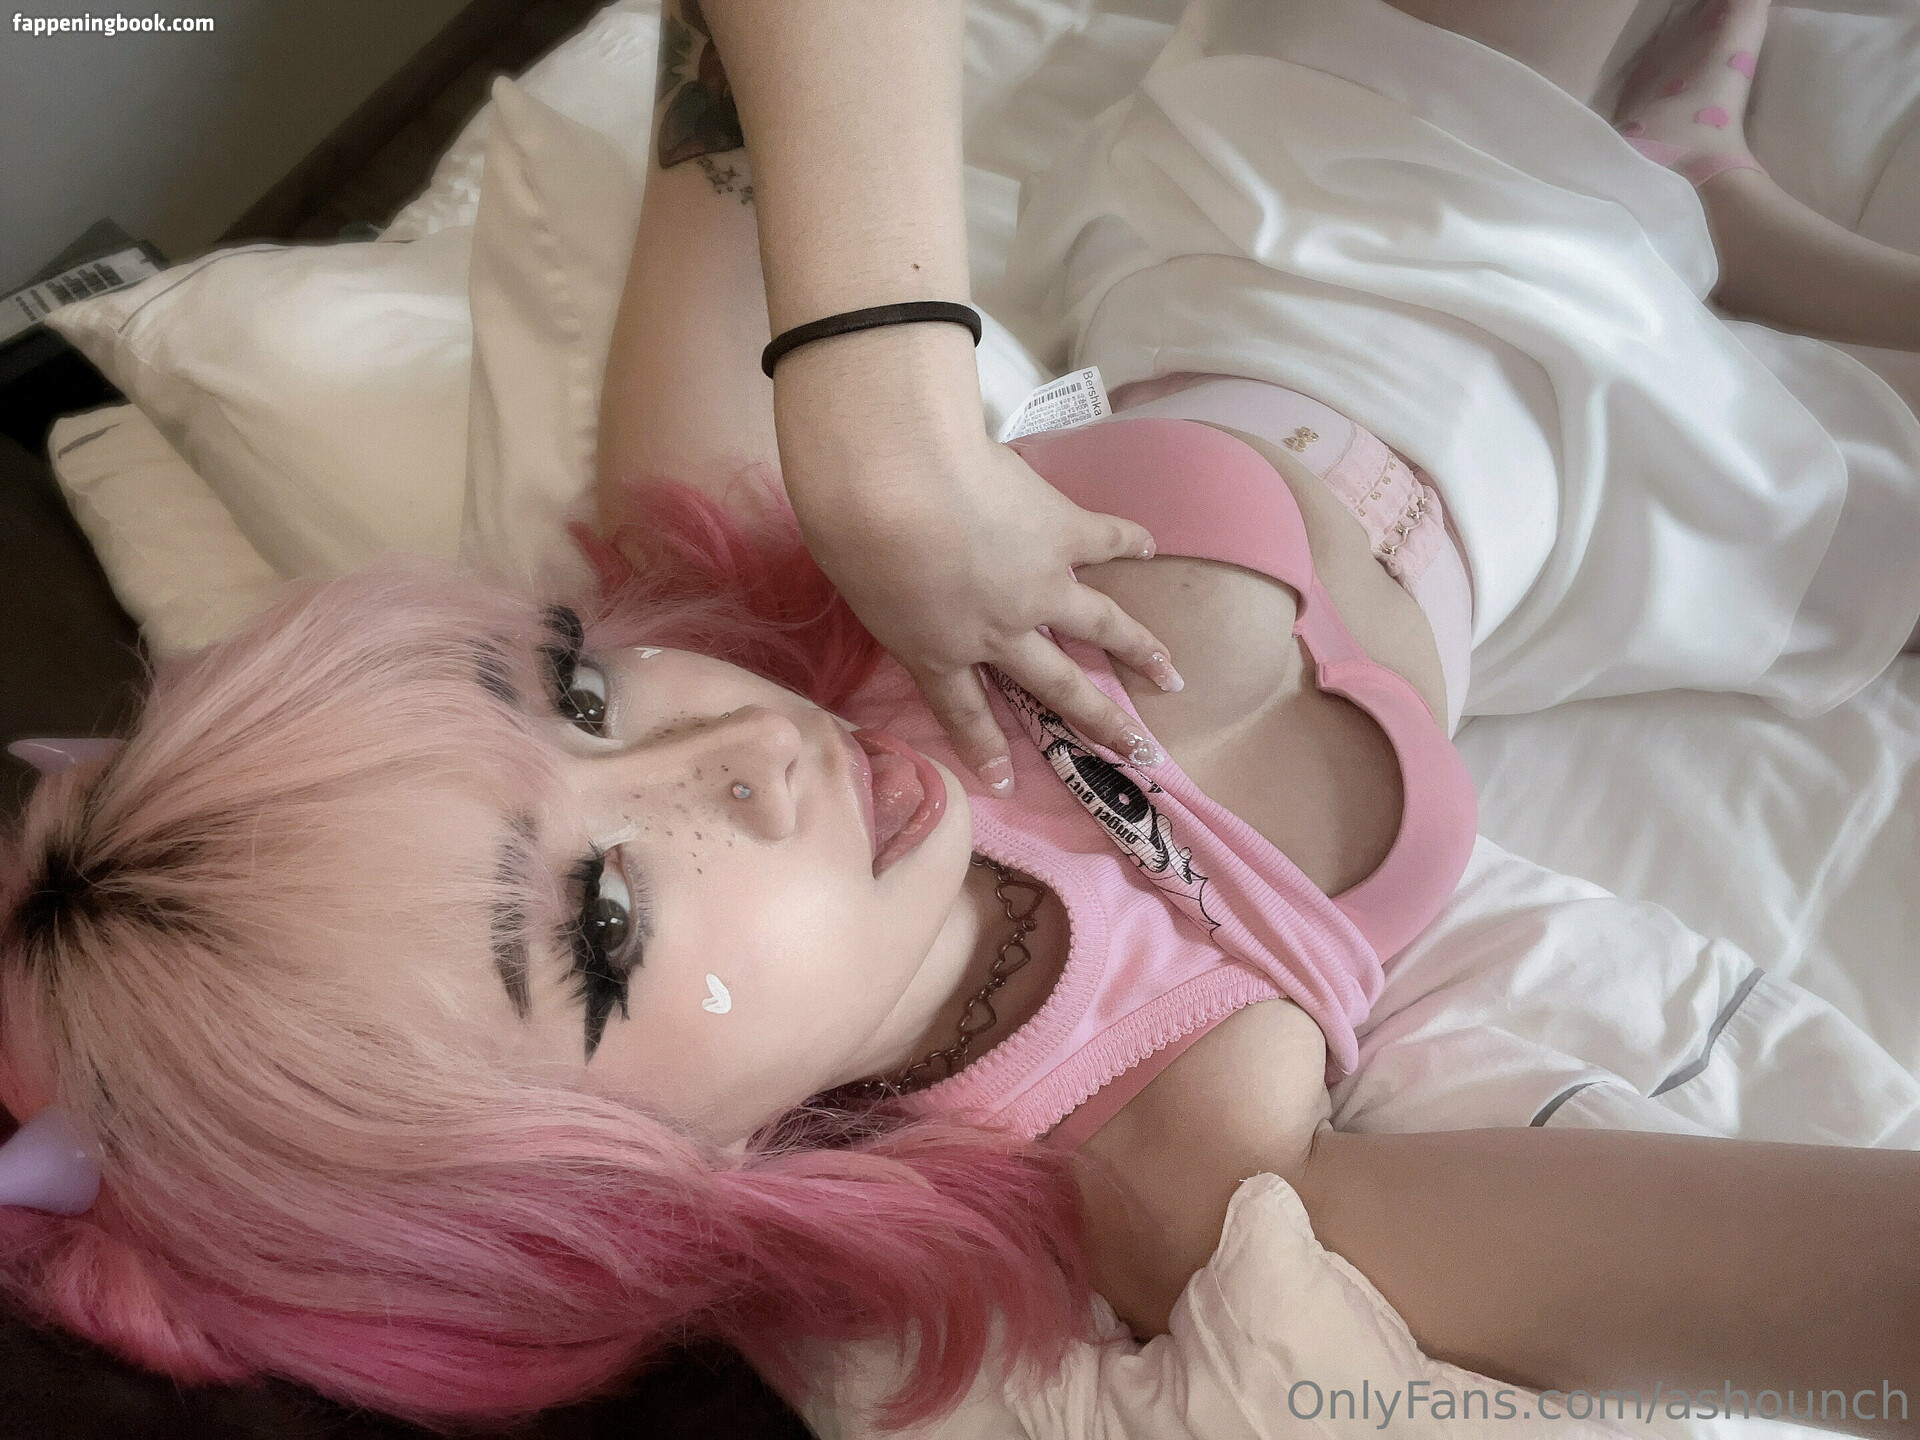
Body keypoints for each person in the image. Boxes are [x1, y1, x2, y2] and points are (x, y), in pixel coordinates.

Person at [3, 3, 1920, 1439]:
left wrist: (869, 376)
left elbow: (721, 49)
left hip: (1313, 201)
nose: (734, 756)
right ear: (619, 1204)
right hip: (1633, 518)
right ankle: (1705, 200)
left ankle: (1686, 179)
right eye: (603, 924)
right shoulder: (1181, 1164)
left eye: (575, 690)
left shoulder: (735, 562)